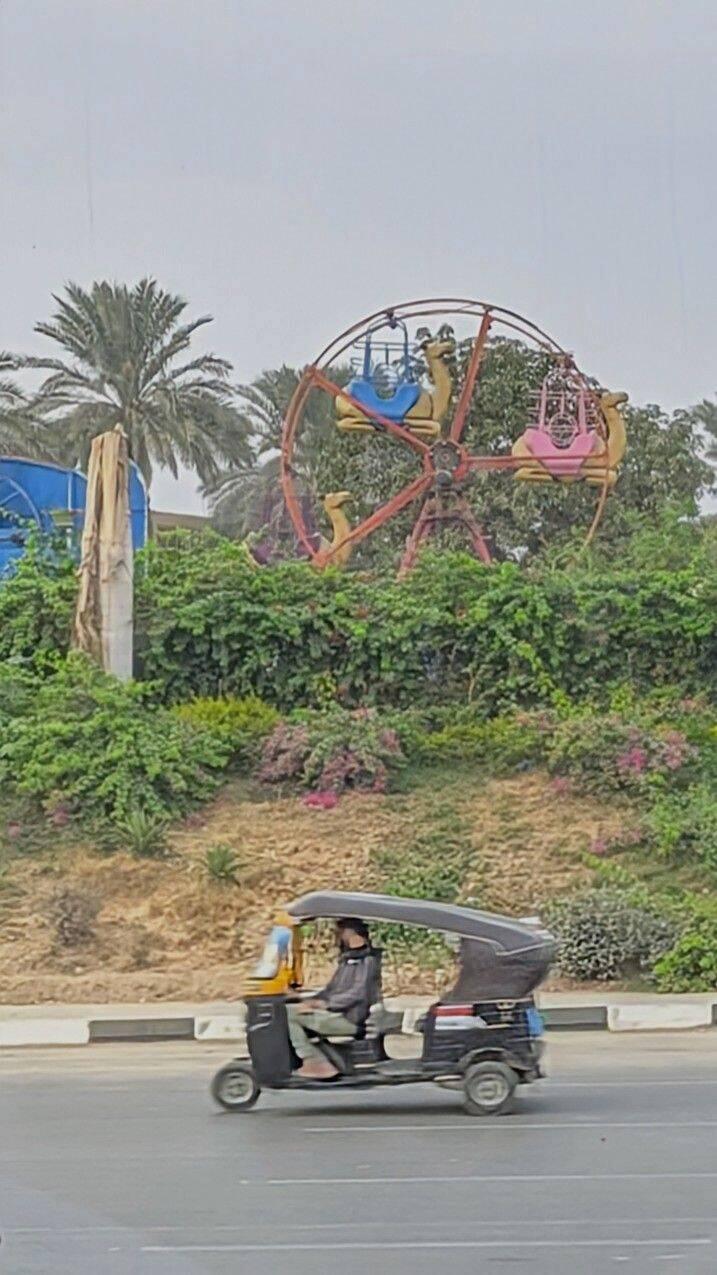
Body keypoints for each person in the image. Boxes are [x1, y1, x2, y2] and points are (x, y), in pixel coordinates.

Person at [286, 918, 379, 1079]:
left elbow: (358, 993)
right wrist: (305, 999)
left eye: (343, 932)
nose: (339, 936)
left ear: (355, 936)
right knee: (286, 1010)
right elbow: (329, 990)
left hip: (348, 1019)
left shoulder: (367, 961)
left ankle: (314, 1060)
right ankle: (301, 1059)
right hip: (335, 1014)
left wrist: (324, 1004)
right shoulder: (348, 960)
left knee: (287, 1015)